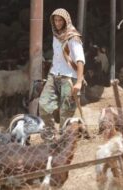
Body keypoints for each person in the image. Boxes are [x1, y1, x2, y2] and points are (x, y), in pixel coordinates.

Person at [39, 8, 85, 141]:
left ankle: (64, 142)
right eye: (55, 20)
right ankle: (50, 137)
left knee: (66, 112)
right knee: (43, 106)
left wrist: (79, 82)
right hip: (54, 75)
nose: (58, 23)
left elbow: (80, 60)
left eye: (60, 20)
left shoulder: (73, 37)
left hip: (69, 78)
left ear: (66, 21)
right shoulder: (55, 35)